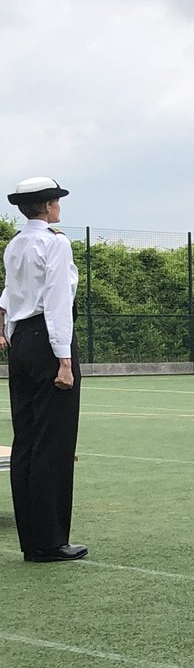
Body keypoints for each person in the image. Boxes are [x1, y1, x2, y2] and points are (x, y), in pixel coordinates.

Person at [0, 176, 87, 562]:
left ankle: (31, 539)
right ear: (50, 205)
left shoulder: (15, 244)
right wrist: (64, 357)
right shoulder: (55, 243)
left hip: (21, 342)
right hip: (49, 340)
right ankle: (51, 540)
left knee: (27, 441)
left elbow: (9, 296)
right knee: (54, 442)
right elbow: (56, 301)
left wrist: (10, 335)